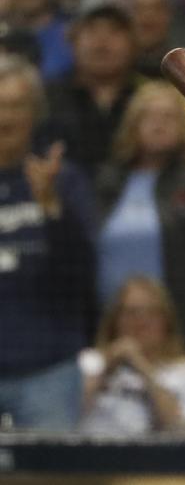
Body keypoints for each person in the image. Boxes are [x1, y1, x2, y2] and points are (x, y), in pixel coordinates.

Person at [95, 82, 185, 364]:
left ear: (184, 126)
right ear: (132, 125)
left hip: (178, 329)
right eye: (149, 117)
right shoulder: (107, 181)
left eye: (168, 117)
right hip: (110, 327)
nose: (158, 125)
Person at [0, 54, 95, 430]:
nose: (5, 117)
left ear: (34, 114)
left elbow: (82, 272)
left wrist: (52, 208)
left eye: (16, 106)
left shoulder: (63, 180)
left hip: (47, 369)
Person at [78, 276, 185, 436]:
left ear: (167, 321)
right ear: (115, 320)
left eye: (152, 313)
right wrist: (107, 366)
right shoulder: (90, 361)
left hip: (163, 459)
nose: (141, 322)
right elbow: (60, 417)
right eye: (131, 312)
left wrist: (142, 367)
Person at [45, 0, 140, 179]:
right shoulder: (47, 97)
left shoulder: (148, 98)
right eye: (91, 30)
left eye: (115, 31)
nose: (102, 41)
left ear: (134, 42)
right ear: (72, 39)